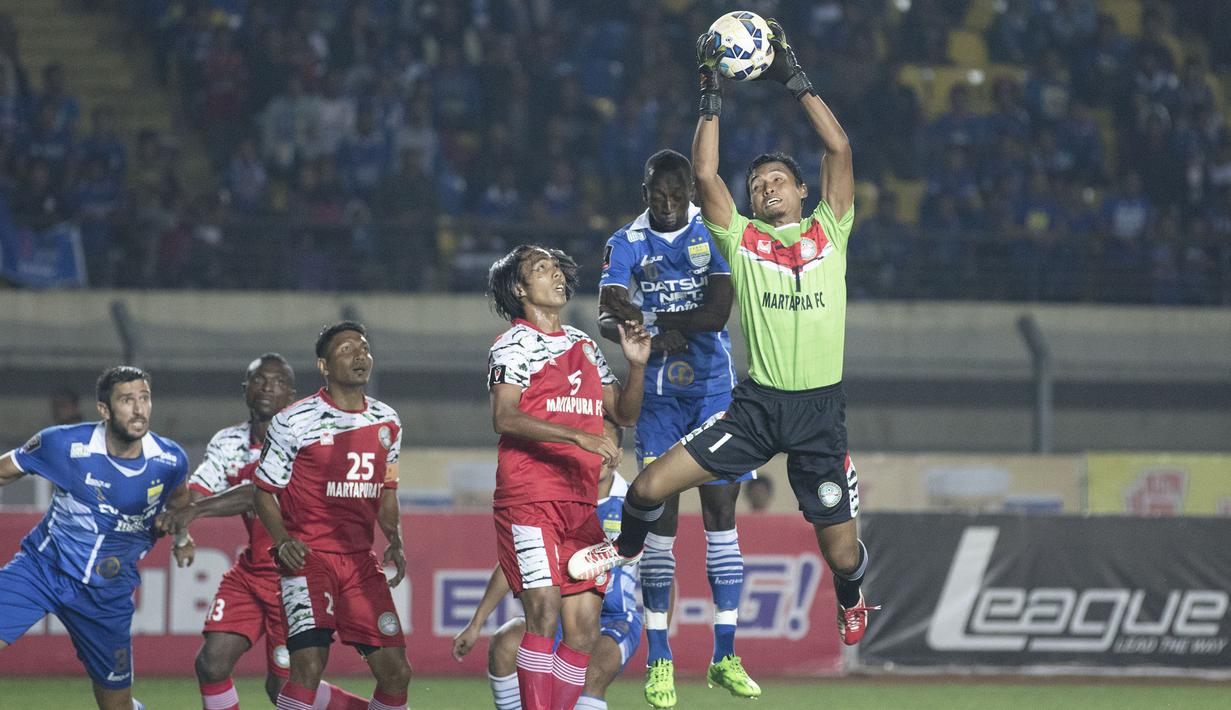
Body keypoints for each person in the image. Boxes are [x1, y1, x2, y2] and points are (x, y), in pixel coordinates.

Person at [570, 18, 879, 653]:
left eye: (776, 181)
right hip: (759, 407)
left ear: (801, 191)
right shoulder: (741, 240)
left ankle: (850, 591)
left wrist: (795, 81)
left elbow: (840, 151)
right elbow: (706, 175)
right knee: (651, 486)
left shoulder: (832, 229)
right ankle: (620, 555)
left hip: (820, 414)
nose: (765, 188)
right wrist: (710, 94)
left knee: (842, 553)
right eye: (757, 184)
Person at [597, 147, 757, 706]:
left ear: (691, 191)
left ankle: (725, 654)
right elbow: (607, 305)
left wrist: (651, 318)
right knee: (661, 527)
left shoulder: (712, 233)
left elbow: (716, 314)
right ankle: (660, 660)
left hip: (713, 393)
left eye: (677, 195)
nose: (667, 206)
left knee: (720, 517)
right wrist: (627, 314)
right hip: (661, 403)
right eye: (658, 197)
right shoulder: (625, 241)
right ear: (644, 193)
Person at [485, 245, 650, 710]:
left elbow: (623, 413)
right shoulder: (511, 345)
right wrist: (575, 437)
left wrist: (636, 364)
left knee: (582, 629)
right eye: (541, 269)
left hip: (581, 507)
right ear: (520, 289)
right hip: (530, 498)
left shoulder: (584, 345)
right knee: (543, 612)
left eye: (557, 267)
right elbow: (504, 416)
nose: (555, 274)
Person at [157, 354, 369, 709]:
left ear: (292, 394)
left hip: (299, 576)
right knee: (211, 664)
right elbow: (195, 495)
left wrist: (195, 511)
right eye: (259, 380)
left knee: (284, 688)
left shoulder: (306, 439)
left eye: (278, 381)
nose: (268, 387)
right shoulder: (228, 442)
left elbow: (258, 491)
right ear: (245, 390)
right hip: (252, 572)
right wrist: (180, 526)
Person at [0, 366, 191, 710]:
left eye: (144, 398)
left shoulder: (169, 460)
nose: (138, 409)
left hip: (108, 592)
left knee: (115, 705)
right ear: (104, 409)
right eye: (127, 400)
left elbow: (180, 504)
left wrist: (182, 539)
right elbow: (3, 471)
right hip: (42, 570)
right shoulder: (62, 443)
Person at [253, 322, 412, 710]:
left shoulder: (388, 421)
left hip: (360, 562)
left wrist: (395, 539)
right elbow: (263, 492)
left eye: (364, 347)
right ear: (323, 366)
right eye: (346, 350)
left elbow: (386, 490)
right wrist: (284, 540)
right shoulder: (294, 420)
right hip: (310, 559)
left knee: (396, 673)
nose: (360, 355)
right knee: (308, 666)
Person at [452, 418, 641, 710]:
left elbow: (659, 569)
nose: (596, 449)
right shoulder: (557, 498)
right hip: (563, 617)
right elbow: (516, 560)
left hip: (615, 619)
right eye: (591, 439)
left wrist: (660, 648)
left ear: (616, 452)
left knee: (592, 670)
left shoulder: (634, 503)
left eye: (604, 442)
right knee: (505, 644)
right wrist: (475, 624)